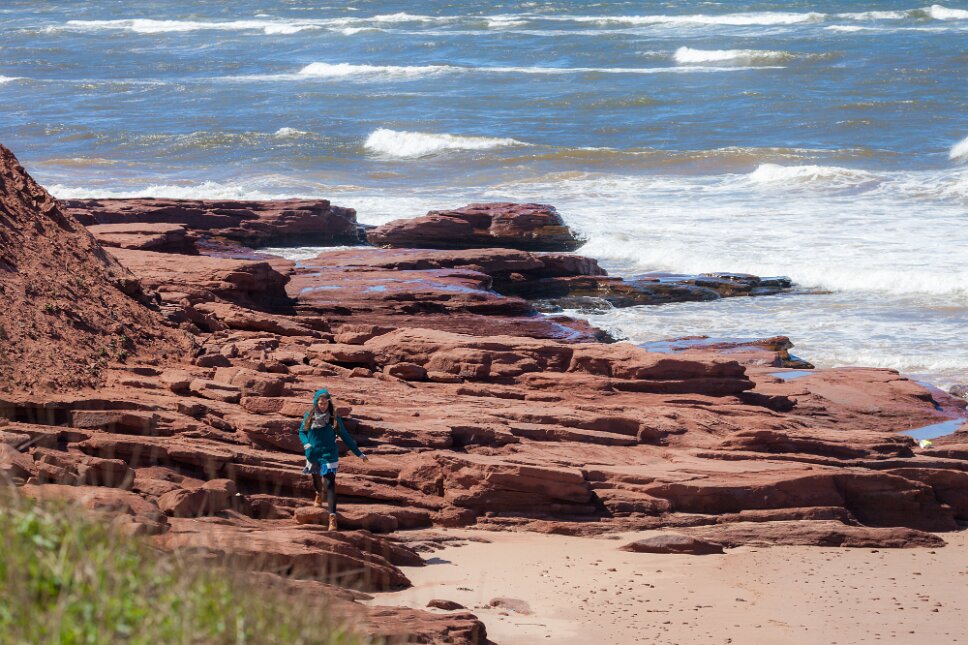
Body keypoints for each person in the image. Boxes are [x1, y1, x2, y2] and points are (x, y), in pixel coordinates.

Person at [298, 388, 367, 531]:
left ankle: (332, 518)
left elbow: (345, 436)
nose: (323, 406)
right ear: (316, 403)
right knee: (316, 478)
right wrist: (306, 444)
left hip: (329, 454)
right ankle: (318, 493)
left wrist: (359, 453)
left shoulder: (333, 418)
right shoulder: (309, 415)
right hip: (313, 453)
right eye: (320, 403)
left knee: (330, 484)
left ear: (329, 403)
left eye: (325, 403)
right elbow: (302, 432)